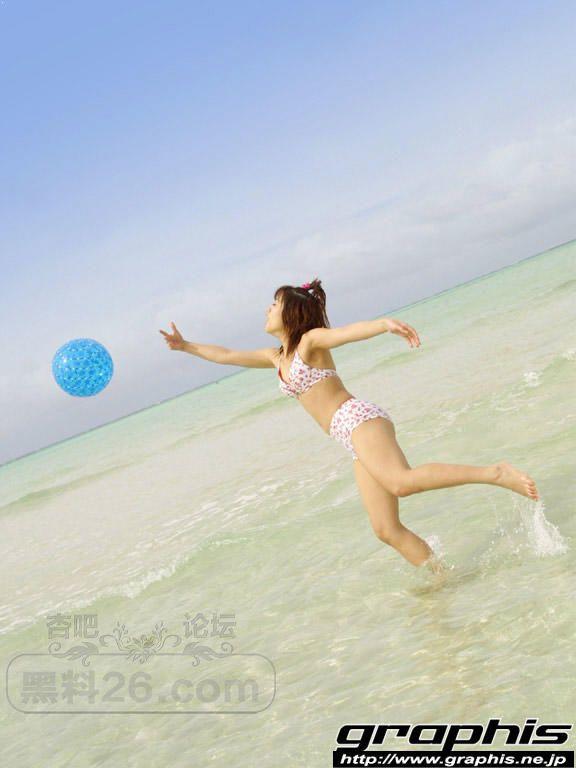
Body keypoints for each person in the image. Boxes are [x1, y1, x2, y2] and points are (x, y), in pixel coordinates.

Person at [159, 277, 539, 574]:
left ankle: (496, 473)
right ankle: (441, 578)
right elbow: (226, 355)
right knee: (386, 529)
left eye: (274, 303)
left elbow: (344, 333)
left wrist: (383, 325)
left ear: (291, 313)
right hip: (348, 435)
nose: (267, 309)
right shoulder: (277, 357)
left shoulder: (310, 342)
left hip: (358, 418)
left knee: (401, 482)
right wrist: (186, 345)